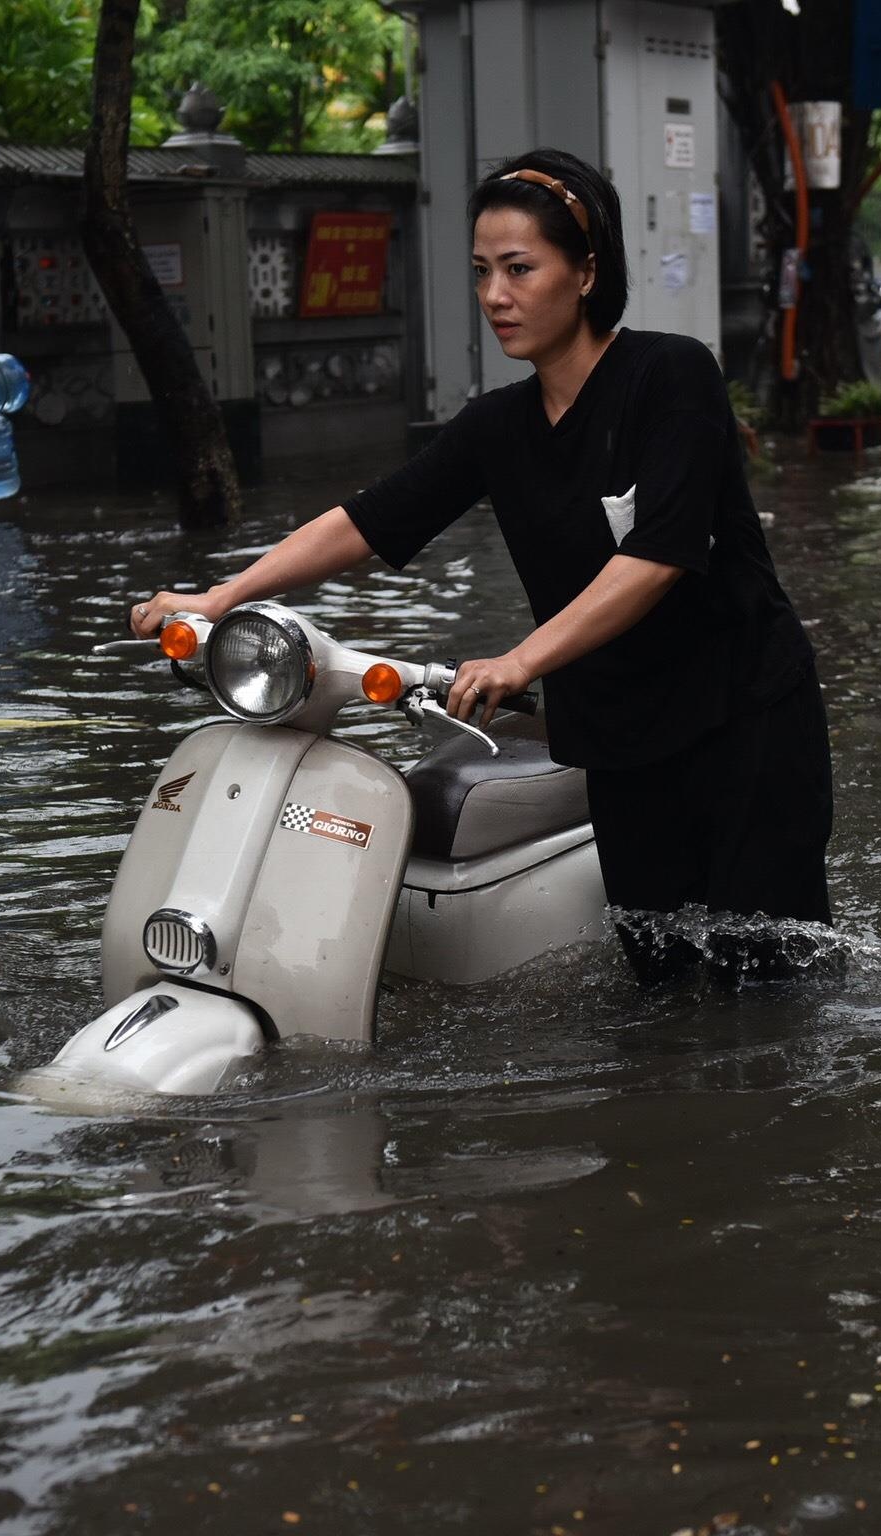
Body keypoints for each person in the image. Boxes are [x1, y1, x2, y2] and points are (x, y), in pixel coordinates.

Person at [126, 147, 832, 988]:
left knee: (772, 978)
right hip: (620, 739)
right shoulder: (499, 426)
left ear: (585, 273)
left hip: (742, 718)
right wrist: (223, 594)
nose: (496, 295)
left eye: (521, 269)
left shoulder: (670, 375)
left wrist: (519, 660)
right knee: (665, 984)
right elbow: (367, 519)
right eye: (482, 272)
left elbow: (655, 560)